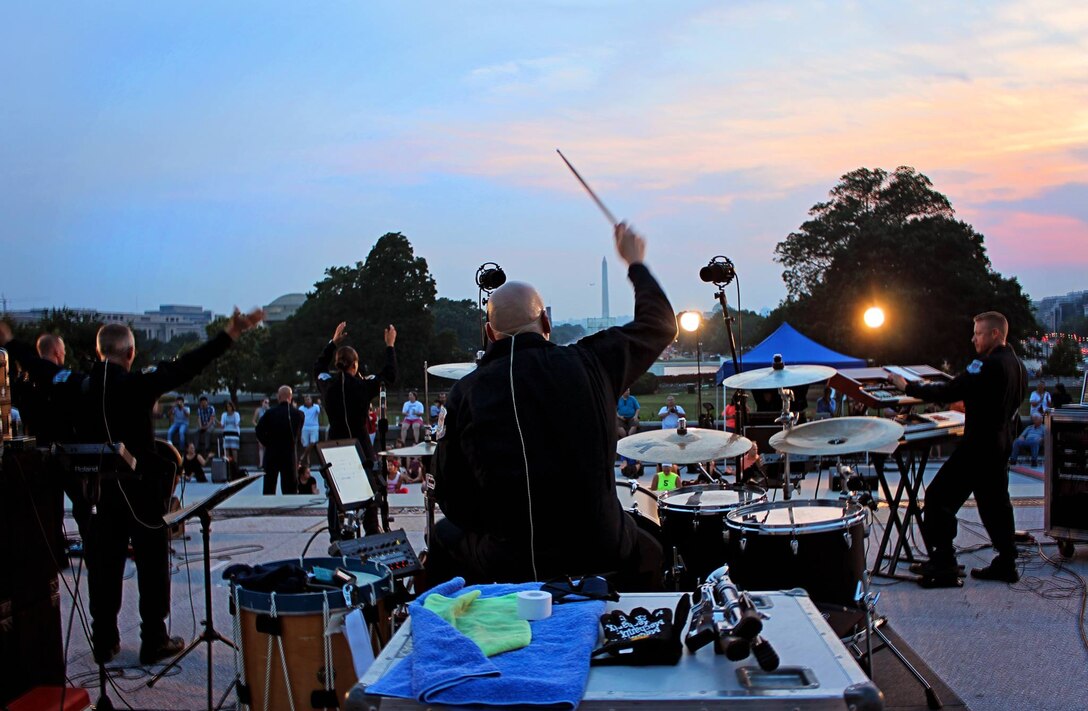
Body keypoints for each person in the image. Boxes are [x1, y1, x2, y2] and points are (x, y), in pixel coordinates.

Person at [430, 222, 676, 589]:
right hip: (601, 548)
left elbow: (451, 495)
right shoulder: (592, 363)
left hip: (509, 559)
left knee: (443, 536)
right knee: (655, 545)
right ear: (547, 321)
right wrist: (635, 262)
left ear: (489, 333)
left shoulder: (466, 393)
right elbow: (659, 325)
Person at [58, 308, 263, 665]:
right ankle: (154, 639)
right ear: (130, 354)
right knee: (153, 565)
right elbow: (188, 365)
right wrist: (230, 333)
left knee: (104, 565)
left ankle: (104, 639)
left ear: (99, 351)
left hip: (102, 491)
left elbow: (46, 373)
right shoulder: (139, 384)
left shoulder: (80, 386)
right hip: (142, 492)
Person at [888, 311, 1027, 588]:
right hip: (1000, 444)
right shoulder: (1017, 365)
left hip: (978, 446)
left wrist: (908, 386)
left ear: (995, 334)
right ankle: (1007, 562)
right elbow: (999, 399)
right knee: (995, 504)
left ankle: (944, 563)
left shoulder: (986, 364)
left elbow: (950, 389)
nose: (972, 338)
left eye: (978, 333)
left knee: (939, 497)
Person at [314, 321, 397, 539]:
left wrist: (333, 342)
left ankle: (337, 534)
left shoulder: (327, 384)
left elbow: (318, 368)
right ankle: (371, 530)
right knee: (368, 491)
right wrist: (390, 345)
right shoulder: (363, 386)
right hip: (359, 446)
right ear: (355, 365)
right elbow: (389, 374)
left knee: (336, 493)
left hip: (334, 448)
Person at [255, 385, 305, 495]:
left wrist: (267, 443)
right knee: (290, 489)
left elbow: (258, 430)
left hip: (272, 453)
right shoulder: (299, 415)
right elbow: (298, 435)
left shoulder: (270, 413)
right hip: (289, 454)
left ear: (279, 396)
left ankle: (268, 509)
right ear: (290, 397)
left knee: (269, 486)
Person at [298, 394, 322, 467]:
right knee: (305, 445)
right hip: (304, 427)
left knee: (313, 442)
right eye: (306, 399)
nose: (307, 401)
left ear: (311, 400)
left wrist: (319, 404)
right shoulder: (301, 408)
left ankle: (303, 456)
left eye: (308, 399)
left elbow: (319, 412)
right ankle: (308, 462)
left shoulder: (316, 407)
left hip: (314, 427)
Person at [220, 400, 242, 469]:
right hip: (226, 433)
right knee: (226, 449)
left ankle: (235, 465)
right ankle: (227, 465)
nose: (229, 408)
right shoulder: (224, 414)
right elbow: (222, 424)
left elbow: (237, 423)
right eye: (227, 407)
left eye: (230, 407)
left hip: (234, 433)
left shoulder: (236, 414)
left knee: (234, 449)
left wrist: (240, 420)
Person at [253, 397, 270, 466]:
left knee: (268, 447)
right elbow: (253, 420)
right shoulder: (258, 410)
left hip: (268, 430)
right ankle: (261, 463)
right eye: (265, 402)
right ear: (262, 402)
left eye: (268, 402)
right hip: (261, 430)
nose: (266, 404)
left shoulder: (270, 410)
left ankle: (268, 462)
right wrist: (258, 426)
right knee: (260, 446)